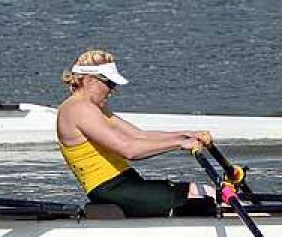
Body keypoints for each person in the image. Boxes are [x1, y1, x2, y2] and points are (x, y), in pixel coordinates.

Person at [56, 49, 216, 217]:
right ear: (89, 81)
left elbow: (139, 135)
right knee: (200, 203)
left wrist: (186, 135)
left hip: (126, 183)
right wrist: (179, 144)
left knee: (205, 191)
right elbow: (129, 150)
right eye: (110, 83)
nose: (112, 91)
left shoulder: (94, 108)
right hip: (111, 189)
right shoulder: (78, 109)